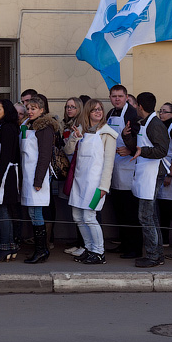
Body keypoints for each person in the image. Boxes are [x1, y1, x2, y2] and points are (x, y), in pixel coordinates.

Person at [121, 91, 170, 268]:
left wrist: (144, 152)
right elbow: (138, 147)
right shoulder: (146, 123)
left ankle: (153, 256)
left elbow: (162, 150)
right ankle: (157, 254)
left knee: (146, 217)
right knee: (151, 217)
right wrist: (127, 136)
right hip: (145, 173)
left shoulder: (155, 125)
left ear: (140, 107)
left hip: (153, 174)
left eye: (135, 106)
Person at [67, 98, 116, 264]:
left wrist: (104, 186)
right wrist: (74, 138)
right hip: (79, 182)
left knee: (89, 216)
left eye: (100, 109)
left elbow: (109, 163)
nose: (98, 112)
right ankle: (88, 249)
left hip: (96, 185)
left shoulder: (107, 133)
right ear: (88, 112)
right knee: (77, 216)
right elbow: (67, 150)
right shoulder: (81, 130)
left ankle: (99, 252)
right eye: (94, 109)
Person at [20, 95, 58, 264]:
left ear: (42, 110)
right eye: (28, 108)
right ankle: (40, 249)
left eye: (33, 108)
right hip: (28, 175)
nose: (29, 111)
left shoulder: (45, 128)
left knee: (36, 213)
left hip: (38, 177)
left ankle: (42, 250)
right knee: (32, 212)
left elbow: (44, 156)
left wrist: (38, 181)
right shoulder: (28, 126)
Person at [106, 84, 142, 259]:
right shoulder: (110, 114)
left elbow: (142, 140)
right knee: (119, 209)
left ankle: (134, 247)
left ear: (126, 97)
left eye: (120, 96)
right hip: (114, 166)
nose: (117, 99)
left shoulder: (133, 115)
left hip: (129, 167)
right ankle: (124, 243)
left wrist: (130, 149)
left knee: (130, 211)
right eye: (114, 96)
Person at [0, 99, 21, 262]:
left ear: (6, 110)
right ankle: (9, 245)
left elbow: (5, 156)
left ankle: (6, 246)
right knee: (2, 210)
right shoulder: (0, 126)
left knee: (3, 210)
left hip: (5, 173)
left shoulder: (8, 128)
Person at [61, 97, 86, 257]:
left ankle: (85, 244)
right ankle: (79, 242)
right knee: (76, 208)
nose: (69, 109)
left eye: (73, 107)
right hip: (71, 169)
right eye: (67, 106)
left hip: (80, 169)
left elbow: (70, 149)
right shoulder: (68, 124)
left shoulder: (80, 126)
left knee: (85, 210)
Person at [157, 103, 172, 249]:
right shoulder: (162, 127)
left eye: (164, 112)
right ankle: (165, 239)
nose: (161, 114)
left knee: (169, 207)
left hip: (170, 172)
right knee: (162, 206)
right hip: (161, 170)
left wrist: (170, 174)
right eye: (160, 111)